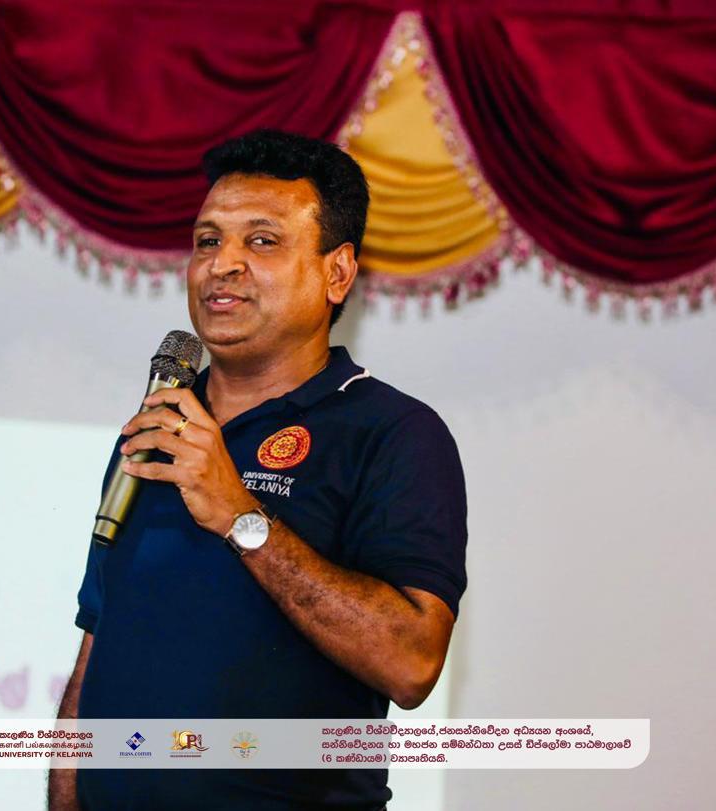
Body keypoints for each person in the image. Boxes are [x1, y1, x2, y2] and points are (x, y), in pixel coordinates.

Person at [48, 129, 467, 810]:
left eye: (262, 241)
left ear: (337, 273)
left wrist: (240, 515)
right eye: (207, 241)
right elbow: (97, 653)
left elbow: (411, 662)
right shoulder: (159, 425)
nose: (223, 264)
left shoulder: (392, 432)